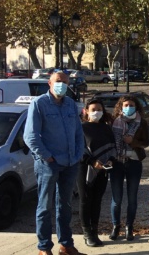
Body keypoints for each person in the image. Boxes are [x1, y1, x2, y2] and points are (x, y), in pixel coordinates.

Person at [25, 72, 86, 255]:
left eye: (65, 82)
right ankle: (44, 248)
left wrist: (77, 154)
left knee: (65, 205)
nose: (62, 85)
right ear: (49, 83)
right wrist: (47, 156)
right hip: (48, 164)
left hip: (70, 163)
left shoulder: (70, 104)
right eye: (58, 82)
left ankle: (66, 245)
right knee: (44, 207)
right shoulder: (39, 104)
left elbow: (78, 133)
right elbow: (30, 137)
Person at [109, 95, 149, 241]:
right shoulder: (114, 122)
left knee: (132, 198)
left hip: (134, 162)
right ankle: (116, 226)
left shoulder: (142, 123)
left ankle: (129, 227)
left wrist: (133, 142)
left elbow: (146, 142)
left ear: (136, 107)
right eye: (125, 105)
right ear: (120, 107)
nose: (128, 107)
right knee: (117, 198)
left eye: (131, 105)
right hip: (117, 163)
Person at [78, 99, 116, 247]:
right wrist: (92, 162)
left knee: (97, 200)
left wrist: (111, 159)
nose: (96, 112)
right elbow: (78, 148)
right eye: (93, 109)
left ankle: (95, 231)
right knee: (85, 200)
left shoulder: (106, 128)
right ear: (86, 111)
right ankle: (87, 233)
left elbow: (113, 146)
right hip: (85, 169)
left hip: (103, 170)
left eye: (99, 109)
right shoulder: (81, 128)